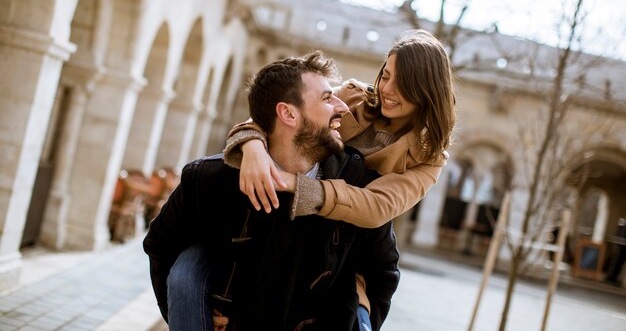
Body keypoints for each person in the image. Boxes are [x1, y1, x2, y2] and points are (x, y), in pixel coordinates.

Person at [143, 52, 400, 331]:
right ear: (288, 113)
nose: (344, 107)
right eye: (327, 98)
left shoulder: (359, 188)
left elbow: (383, 273)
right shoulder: (209, 179)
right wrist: (189, 314)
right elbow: (161, 245)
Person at [224, 29, 456, 230]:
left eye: (403, 83)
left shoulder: (430, 157)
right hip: (276, 212)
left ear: (427, 90)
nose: (387, 89)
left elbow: (377, 208)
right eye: (385, 76)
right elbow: (280, 112)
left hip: (340, 238)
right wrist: (253, 147)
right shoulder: (353, 97)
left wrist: (294, 183)